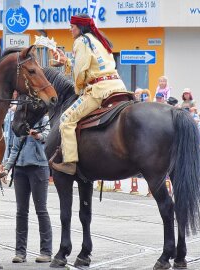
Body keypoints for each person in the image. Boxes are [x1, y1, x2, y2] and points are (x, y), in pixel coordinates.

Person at [49, 13, 128, 175]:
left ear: (80, 27)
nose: (70, 30)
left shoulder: (80, 41)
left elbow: (80, 73)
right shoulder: (99, 40)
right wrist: (67, 62)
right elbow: (90, 65)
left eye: (72, 27)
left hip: (98, 90)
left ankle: (70, 163)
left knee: (65, 120)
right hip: (118, 87)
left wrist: (78, 90)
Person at [2, 115, 52, 263]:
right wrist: (7, 168)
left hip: (39, 168)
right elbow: (15, 148)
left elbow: (48, 137)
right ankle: (20, 252)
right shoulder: (19, 122)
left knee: (41, 210)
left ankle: (46, 252)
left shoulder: (43, 119)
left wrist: (38, 135)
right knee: (21, 212)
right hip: (20, 170)